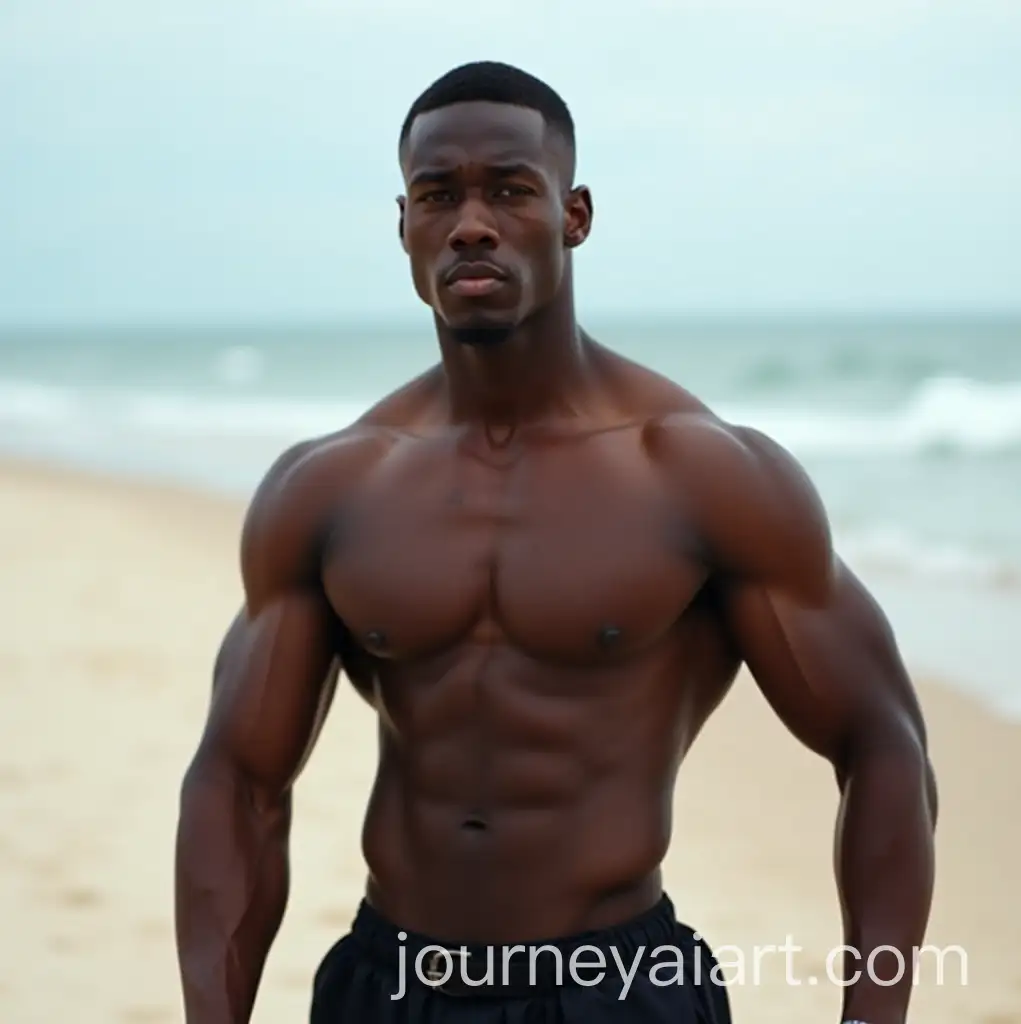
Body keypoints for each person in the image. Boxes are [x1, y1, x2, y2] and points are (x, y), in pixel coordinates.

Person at [174, 60, 938, 1024]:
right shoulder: (331, 487)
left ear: (574, 216)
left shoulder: (698, 475)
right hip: (391, 987)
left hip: (614, 988)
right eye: (437, 196)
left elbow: (881, 742)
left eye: (509, 190)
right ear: (404, 226)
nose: (472, 224)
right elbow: (239, 782)